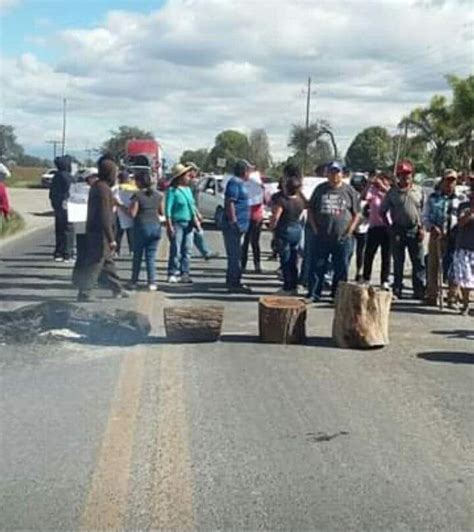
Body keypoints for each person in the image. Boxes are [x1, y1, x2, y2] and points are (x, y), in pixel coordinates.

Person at [307, 161, 360, 301]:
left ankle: (337, 295)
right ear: (327, 174)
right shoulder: (320, 189)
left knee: (341, 268)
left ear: (342, 174)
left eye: (337, 172)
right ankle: (314, 293)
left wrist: (350, 231)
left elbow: (357, 214)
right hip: (322, 235)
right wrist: (314, 228)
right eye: (331, 172)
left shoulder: (349, 191)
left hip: (343, 237)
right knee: (318, 265)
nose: (334, 175)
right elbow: (310, 209)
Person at [76, 158, 128, 302]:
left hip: (96, 230)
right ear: (109, 173)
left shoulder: (99, 186)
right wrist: (111, 238)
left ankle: (117, 288)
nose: (116, 176)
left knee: (107, 261)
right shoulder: (103, 189)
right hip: (99, 233)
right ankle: (85, 292)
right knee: (95, 262)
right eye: (115, 172)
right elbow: (105, 215)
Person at [380, 160, 425, 300]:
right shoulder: (392, 193)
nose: (405, 177)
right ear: (398, 176)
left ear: (412, 175)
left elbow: (424, 211)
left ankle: (418, 290)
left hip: (415, 230)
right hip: (398, 230)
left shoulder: (419, 191)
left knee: (418, 262)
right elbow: (382, 211)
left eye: (408, 174)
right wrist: (389, 227)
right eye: (402, 175)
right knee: (398, 261)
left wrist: (422, 228)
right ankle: (397, 288)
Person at [423, 169, 465, 307]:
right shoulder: (433, 197)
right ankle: (432, 294)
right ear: (442, 181)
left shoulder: (461, 198)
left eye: (453, 180)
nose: (450, 183)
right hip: (436, 235)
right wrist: (431, 226)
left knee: (454, 266)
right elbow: (425, 216)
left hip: (455, 237)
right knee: (433, 265)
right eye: (447, 180)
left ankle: (452, 296)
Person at [270, 168, 306, 295]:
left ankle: (287, 287)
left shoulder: (282, 201)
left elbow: (276, 217)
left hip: (284, 229)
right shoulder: (300, 201)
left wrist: (272, 226)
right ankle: (294, 285)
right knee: (293, 258)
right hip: (297, 229)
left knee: (285, 259)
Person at [127, 170, 164, 291]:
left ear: (138, 182)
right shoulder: (159, 195)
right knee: (151, 256)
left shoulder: (137, 196)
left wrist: (121, 206)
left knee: (137, 256)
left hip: (141, 227)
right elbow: (161, 212)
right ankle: (152, 282)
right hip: (156, 227)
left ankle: (134, 281)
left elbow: (133, 213)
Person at [165, 163, 199, 284]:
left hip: (189, 223)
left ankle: (185, 272)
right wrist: (169, 225)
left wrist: (197, 216)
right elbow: (168, 209)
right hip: (177, 223)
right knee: (176, 249)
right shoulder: (172, 190)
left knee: (187, 250)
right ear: (180, 177)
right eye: (186, 174)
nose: (189, 176)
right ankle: (172, 272)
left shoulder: (188, 190)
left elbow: (192, 205)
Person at [222, 159, 252, 293]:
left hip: (241, 225)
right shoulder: (234, 182)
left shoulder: (241, 183)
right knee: (235, 255)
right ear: (244, 171)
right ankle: (234, 283)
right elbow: (230, 202)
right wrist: (233, 221)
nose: (250, 173)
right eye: (249, 170)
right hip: (234, 226)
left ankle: (232, 279)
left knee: (237, 254)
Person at [361, 172, 392, 289]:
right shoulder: (373, 190)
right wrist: (369, 183)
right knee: (369, 253)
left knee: (386, 255)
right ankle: (366, 278)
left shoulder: (390, 191)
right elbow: (363, 197)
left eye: (384, 179)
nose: (380, 182)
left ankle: (384, 280)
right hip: (374, 226)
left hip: (387, 226)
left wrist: (383, 187)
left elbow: (391, 197)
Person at [186, 161, 218, 261]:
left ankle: (205, 252)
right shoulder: (191, 183)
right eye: (194, 170)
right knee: (194, 232)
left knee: (195, 233)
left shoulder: (192, 182)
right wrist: (195, 213)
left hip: (192, 210)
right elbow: (190, 200)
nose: (196, 172)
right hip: (189, 211)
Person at [452, 186, 474, 315]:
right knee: (465, 278)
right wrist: (470, 213)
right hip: (464, 248)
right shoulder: (463, 206)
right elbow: (459, 223)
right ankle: (465, 304)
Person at [49, 155, 75, 262]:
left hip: (58, 206)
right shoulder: (68, 177)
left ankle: (58, 253)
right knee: (69, 229)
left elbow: (51, 194)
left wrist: (55, 204)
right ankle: (67, 254)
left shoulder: (56, 176)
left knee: (59, 229)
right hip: (68, 205)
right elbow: (73, 192)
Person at [242, 169, 265, 273]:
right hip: (247, 217)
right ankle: (243, 265)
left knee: (254, 243)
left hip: (256, 218)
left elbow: (266, 201)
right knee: (246, 243)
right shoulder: (244, 186)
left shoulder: (260, 190)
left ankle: (256, 264)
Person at [350, 173, 369, 282]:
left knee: (361, 252)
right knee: (349, 251)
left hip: (364, 227)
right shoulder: (351, 195)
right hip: (351, 227)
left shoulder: (368, 197)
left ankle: (359, 272)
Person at [114, 169, 136, 256]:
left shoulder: (117, 188)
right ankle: (132, 250)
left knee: (118, 233)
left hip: (119, 212)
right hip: (130, 211)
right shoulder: (134, 188)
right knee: (130, 233)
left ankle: (116, 251)